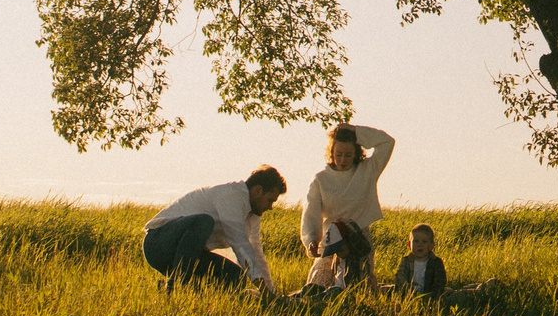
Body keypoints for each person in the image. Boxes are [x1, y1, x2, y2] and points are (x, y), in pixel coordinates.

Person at [143, 166, 287, 292]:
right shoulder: (232, 196)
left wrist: (269, 291)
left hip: (187, 255)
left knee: (235, 276)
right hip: (158, 244)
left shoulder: (253, 216)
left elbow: (255, 252)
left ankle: (190, 293)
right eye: (270, 200)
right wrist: (262, 289)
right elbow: (239, 242)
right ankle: (175, 288)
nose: (270, 207)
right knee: (203, 221)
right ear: (258, 190)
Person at [300, 123, 394, 291]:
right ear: (331, 152)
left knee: (358, 286)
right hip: (331, 238)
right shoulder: (321, 179)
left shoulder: (367, 170)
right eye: (339, 154)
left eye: (348, 155)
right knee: (318, 285)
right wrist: (311, 240)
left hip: (359, 238)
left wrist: (356, 131)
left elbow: (387, 142)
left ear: (356, 153)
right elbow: (311, 212)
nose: (343, 160)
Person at [394, 223, 447, 296]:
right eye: (416, 241)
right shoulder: (406, 261)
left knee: (449, 293)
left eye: (424, 242)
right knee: (385, 289)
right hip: (409, 293)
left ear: (431, 245)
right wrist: (409, 292)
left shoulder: (436, 262)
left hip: (429, 293)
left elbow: (440, 281)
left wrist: (431, 295)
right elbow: (401, 277)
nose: (420, 245)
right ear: (409, 244)